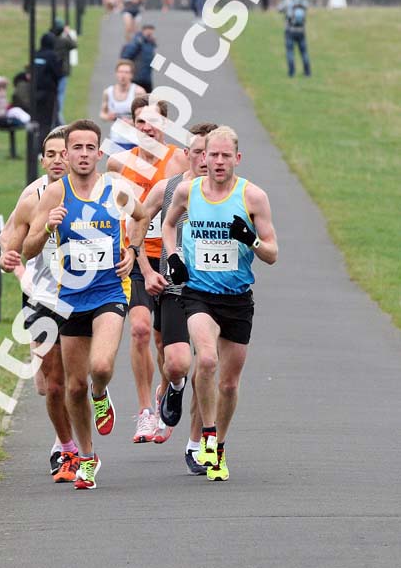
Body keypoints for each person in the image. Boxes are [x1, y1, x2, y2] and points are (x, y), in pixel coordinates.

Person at [23, 119, 150, 490]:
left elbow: (141, 217)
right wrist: (48, 226)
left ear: (99, 152)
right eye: (74, 148)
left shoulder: (116, 189)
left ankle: (101, 393)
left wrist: (131, 249)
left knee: (100, 366)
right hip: (69, 299)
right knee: (73, 387)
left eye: (88, 148)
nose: (81, 154)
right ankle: (88, 457)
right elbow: (28, 249)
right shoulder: (55, 195)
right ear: (66, 154)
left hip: (110, 292)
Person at [162, 126, 278, 481]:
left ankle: (219, 444)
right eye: (213, 154)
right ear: (203, 157)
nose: (218, 161)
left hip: (237, 299)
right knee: (207, 359)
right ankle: (206, 436)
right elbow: (168, 226)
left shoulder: (253, 197)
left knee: (229, 383)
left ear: (237, 159)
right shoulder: (187, 191)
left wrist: (251, 239)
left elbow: (272, 253)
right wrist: (174, 256)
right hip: (199, 294)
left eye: (226, 155)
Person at [0, 128, 81, 483]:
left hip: (84, 295)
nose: (59, 160)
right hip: (43, 296)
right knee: (52, 383)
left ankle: (96, 396)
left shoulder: (92, 193)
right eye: (51, 154)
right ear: (43, 160)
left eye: (64, 153)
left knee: (81, 378)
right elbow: (10, 239)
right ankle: (64, 446)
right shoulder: (32, 196)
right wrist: (9, 261)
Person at [107, 98, 189, 443]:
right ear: (133, 125)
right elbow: (112, 213)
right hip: (135, 257)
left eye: (154, 121)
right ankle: (144, 412)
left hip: (169, 258)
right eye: (141, 122)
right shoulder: (118, 163)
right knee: (139, 330)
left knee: (162, 341)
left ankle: (172, 385)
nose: (147, 128)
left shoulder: (180, 160)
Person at [138, 122, 217, 466]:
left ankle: (196, 443)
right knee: (178, 363)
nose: (204, 158)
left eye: (210, 152)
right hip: (174, 287)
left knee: (208, 364)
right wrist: (146, 270)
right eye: (197, 151)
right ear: (186, 154)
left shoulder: (232, 194)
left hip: (216, 292)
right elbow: (135, 225)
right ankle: (173, 386)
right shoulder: (167, 188)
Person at [100, 60, 146, 152]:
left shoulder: (138, 92)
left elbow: (146, 117)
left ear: (131, 75)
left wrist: (131, 122)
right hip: (115, 140)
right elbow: (102, 114)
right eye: (120, 72)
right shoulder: (108, 92)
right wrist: (108, 117)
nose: (123, 75)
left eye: (126, 72)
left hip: (134, 141)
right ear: (116, 74)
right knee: (113, 166)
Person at [33, 32, 63, 153]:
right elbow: (58, 73)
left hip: (34, 93)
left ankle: (36, 145)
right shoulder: (53, 56)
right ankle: (43, 148)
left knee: (38, 120)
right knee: (47, 121)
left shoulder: (36, 54)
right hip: (48, 93)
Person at [278, 0, 311, 77]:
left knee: (290, 51)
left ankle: (292, 72)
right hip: (301, 30)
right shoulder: (303, 2)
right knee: (304, 52)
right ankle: (307, 72)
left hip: (290, 30)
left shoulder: (288, 1)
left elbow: (279, 9)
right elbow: (307, 7)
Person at [50, 19, 77, 125]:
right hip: (62, 72)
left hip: (53, 72)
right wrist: (68, 33)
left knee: (55, 95)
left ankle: (56, 117)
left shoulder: (51, 40)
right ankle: (59, 119)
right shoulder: (64, 40)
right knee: (60, 95)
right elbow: (74, 44)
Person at [120, 23, 157, 93]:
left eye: (151, 30)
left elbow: (151, 58)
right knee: (135, 99)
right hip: (136, 78)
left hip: (146, 77)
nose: (150, 32)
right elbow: (125, 57)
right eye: (148, 30)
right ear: (143, 30)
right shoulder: (137, 42)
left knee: (148, 100)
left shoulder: (151, 43)